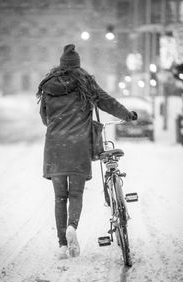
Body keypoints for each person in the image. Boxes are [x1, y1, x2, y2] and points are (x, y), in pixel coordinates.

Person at [37, 44, 137, 259]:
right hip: (79, 146)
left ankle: (63, 244)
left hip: (55, 147)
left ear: (61, 65)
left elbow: (45, 118)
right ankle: (73, 226)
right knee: (75, 194)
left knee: (59, 197)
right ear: (78, 65)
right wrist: (128, 115)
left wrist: (59, 125)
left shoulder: (47, 87)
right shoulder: (86, 83)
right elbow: (107, 102)